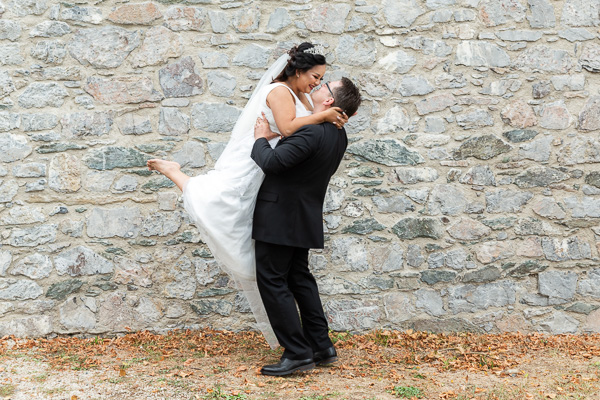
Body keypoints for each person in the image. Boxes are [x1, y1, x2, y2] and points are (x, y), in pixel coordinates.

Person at [146, 43, 347, 348]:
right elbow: (289, 127)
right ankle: (176, 172)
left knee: (271, 253)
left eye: (321, 79)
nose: (317, 83)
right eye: (315, 76)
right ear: (298, 70)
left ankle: (304, 349)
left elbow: (301, 129)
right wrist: (323, 117)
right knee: (220, 199)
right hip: (255, 155)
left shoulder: (304, 94)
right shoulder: (279, 91)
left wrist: (326, 115)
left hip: (273, 161)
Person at [251, 77, 362, 376]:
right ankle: (321, 345)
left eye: (324, 85)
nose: (318, 86)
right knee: (299, 278)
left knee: (273, 280)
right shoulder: (338, 135)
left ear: (328, 101)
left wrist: (260, 138)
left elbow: (272, 162)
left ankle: (298, 353)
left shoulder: (311, 132)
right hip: (303, 215)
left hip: (281, 216)